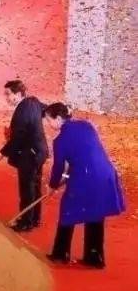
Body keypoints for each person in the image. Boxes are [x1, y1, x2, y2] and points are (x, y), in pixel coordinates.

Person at [43, 103, 125, 269]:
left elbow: (58, 167)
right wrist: (67, 176)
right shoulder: (86, 125)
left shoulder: (60, 141)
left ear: (58, 119)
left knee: (67, 209)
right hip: (105, 173)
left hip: (86, 177)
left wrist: (52, 186)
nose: (48, 124)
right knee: (96, 211)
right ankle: (94, 257)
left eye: (48, 120)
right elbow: (84, 152)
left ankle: (61, 253)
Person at [0, 80, 49, 232]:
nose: (6, 98)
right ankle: (34, 219)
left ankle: (25, 222)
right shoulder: (33, 102)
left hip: (29, 154)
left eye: (8, 94)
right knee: (35, 186)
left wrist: (3, 152)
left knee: (27, 188)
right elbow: (47, 110)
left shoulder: (22, 109)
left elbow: (18, 136)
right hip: (39, 152)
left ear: (18, 94)